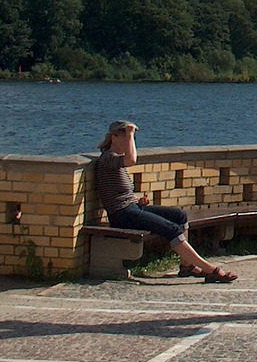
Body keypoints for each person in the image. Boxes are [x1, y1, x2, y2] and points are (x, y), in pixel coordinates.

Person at [94, 120, 237, 283]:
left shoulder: (115, 160)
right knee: (171, 229)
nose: (129, 141)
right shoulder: (108, 158)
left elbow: (118, 191)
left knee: (180, 216)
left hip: (131, 207)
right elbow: (132, 161)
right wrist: (131, 134)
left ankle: (187, 265)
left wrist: (137, 200)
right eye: (125, 137)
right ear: (114, 137)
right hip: (121, 214)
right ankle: (210, 270)